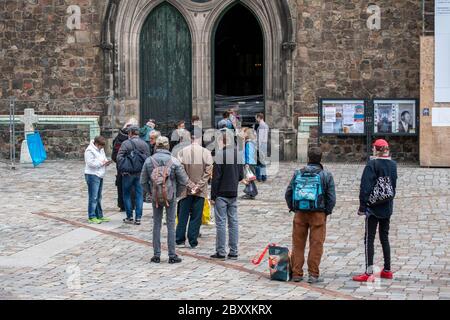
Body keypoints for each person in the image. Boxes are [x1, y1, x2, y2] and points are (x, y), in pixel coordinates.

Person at [285, 147, 336, 284]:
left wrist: (293, 208)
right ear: (321, 159)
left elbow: (288, 193)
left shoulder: (298, 173)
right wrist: (326, 212)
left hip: (300, 213)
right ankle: (313, 274)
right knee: (316, 244)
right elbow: (331, 198)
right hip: (318, 214)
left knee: (298, 244)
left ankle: (297, 273)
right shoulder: (326, 175)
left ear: (308, 157)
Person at [140, 136, 195, 264]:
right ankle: (172, 254)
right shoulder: (174, 161)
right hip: (170, 196)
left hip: (156, 196)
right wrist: (177, 193)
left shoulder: (149, 161)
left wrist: (151, 192)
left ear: (156, 146)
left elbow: (142, 181)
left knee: (156, 225)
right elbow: (184, 181)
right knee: (171, 225)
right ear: (167, 146)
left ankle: (156, 255)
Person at [353, 139, 398, 282]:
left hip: (373, 208)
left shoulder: (372, 164)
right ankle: (387, 270)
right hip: (387, 206)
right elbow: (393, 186)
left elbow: (365, 187)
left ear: (376, 150)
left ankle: (369, 272)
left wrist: (362, 207)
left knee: (369, 239)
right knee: (384, 237)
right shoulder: (393, 165)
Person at [176, 128, 214, 249]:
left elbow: (180, 170)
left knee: (183, 215)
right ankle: (193, 240)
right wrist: (199, 185)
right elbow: (208, 171)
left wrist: (189, 184)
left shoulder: (182, 151)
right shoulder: (206, 152)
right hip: (200, 190)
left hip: (185, 189)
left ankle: (180, 240)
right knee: (196, 216)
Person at [210, 129, 244, 260]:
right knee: (233, 222)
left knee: (221, 223)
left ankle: (221, 251)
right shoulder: (238, 154)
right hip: (233, 193)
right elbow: (241, 175)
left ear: (221, 141)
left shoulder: (220, 155)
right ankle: (234, 251)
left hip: (221, 194)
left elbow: (215, 179)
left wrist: (213, 196)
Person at [117, 125, 150, 225]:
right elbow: (148, 159)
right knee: (139, 195)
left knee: (126, 194)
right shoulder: (144, 144)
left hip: (127, 173)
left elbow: (119, 157)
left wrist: (125, 166)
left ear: (130, 133)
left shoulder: (126, 143)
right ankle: (138, 218)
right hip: (140, 173)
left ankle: (129, 216)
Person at [84, 136, 112, 224]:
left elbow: (103, 158)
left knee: (98, 197)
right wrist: (102, 163)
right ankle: (91, 216)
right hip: (92, 175)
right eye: (101, 146)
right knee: (93, 197)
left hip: (100, 174)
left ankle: (99, 215)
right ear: (96, 144)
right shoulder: (89, 150)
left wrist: (106, 162)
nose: (102, 148)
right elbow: (90, 163)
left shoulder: (101, 149)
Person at [112, 120, 137, 212]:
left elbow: (114, 156)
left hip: (121, 168)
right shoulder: (135, 141)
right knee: (132, 187)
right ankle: (131, 205)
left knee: (122, 187)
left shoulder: (118, 139)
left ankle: (123, 205)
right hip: (133, 168)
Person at [241, 128, 258, 200]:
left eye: (244, 133)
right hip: (251, 162)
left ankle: (251, 193)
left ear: (247, 134)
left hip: (249, 163)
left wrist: (247, 163)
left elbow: (249, 154)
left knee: (249, 179)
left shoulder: (249, 143)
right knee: (250, 178)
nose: (243, 134)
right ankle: (250, 192)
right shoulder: (251, 142)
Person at [255, 113, 269, 182]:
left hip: (261, 145)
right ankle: (263, 177)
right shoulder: (265, 125)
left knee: (261, 162)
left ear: (259, 118)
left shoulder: (261, 126)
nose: (255, 119)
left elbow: (260, 138)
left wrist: (257, 147)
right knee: (262, 161)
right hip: (264, 144)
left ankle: (261, 177)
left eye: (256, 117)